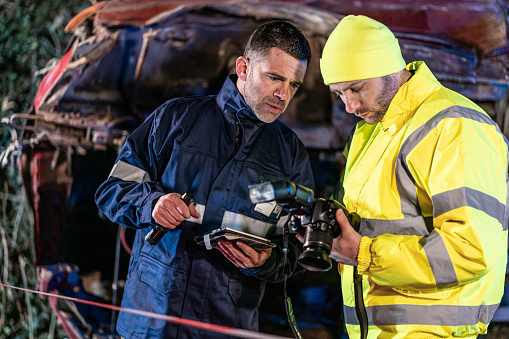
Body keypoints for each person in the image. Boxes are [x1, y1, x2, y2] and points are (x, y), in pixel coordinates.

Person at [94, 20, 314, 338]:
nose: (283, 94)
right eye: (275, 77)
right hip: (152, 323)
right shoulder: (175, 120)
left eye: (294, 85)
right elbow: (113, 189)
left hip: (227, 327)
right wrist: (150, 202)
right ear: (243, 67)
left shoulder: (290, 155)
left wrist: (267, 260)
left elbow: (295, 248)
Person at [319, 15, 509, 338]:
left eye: (356, 88)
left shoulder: (454, 126)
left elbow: (470, 249)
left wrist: (363, 254)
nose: (349, 105)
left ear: (391, 68)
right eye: (339, 94)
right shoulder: (369, 134)